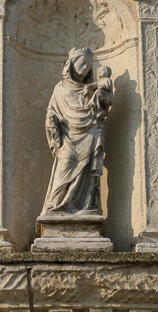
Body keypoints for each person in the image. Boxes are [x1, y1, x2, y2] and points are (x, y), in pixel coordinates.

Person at [42, 47, 113, 215]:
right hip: (68, 138)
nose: (85, 68)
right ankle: (57, 206)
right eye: (82, 63)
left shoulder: (92, 89)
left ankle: (87, 207)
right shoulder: (60, 88)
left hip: (90, 134)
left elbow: (105, 105)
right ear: (72, 63)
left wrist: (102, 98)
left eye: (89, 65)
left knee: (88, 174)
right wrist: (52, 123)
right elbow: (51, 111)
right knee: (65, 165)